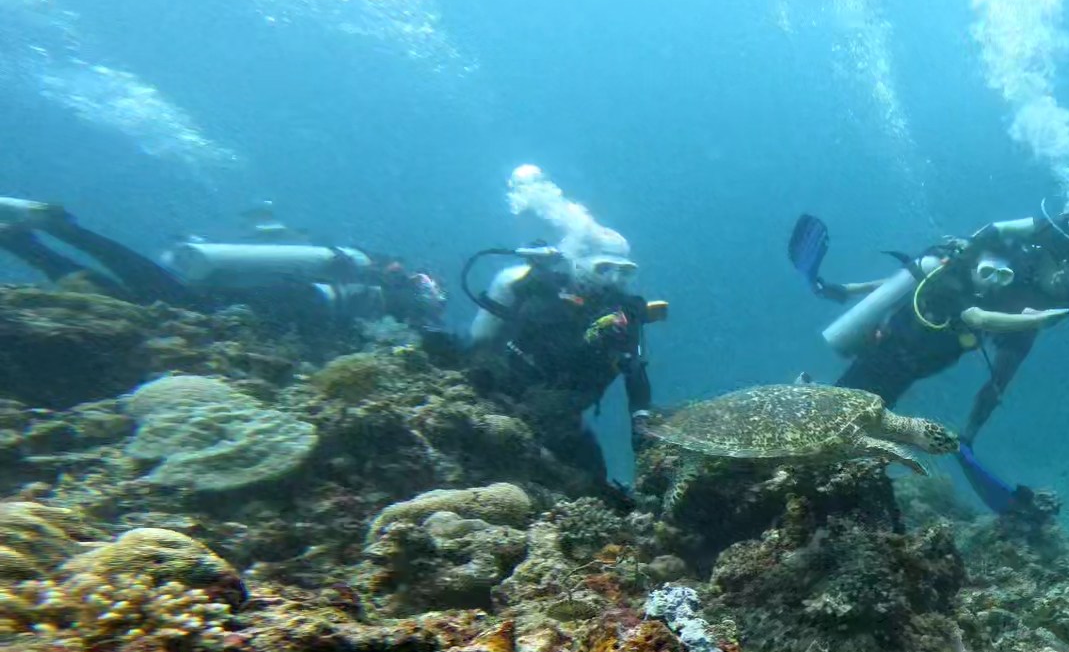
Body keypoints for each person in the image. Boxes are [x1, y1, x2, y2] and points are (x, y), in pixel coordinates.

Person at [799, 186, 1069, 449]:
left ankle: (968, 435)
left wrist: (1065, 291)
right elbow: (990, 235)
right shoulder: (1047, 227)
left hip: (1028, 311)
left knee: (1000, 377)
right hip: (1001, 297)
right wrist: (969, 251)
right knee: (934, 291)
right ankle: (848, 391)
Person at [0, 196, 447, 333]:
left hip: (283, 293)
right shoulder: (400, 295)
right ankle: (53, 234)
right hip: (289, 301)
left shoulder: (374, 275)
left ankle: (32, 241)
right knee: (170, 300)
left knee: (148, 300)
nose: (437, 301)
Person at [458, 243, 667, 492]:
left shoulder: (624, 315)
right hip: (509, 394)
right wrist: (592, 337)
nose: (614, 280)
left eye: (625, 272)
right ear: (579, 264)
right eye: (604, 269)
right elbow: (557, 357)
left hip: (566, 413)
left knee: (592, 479)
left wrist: (640, 422)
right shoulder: (543, 297)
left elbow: (635, 369)